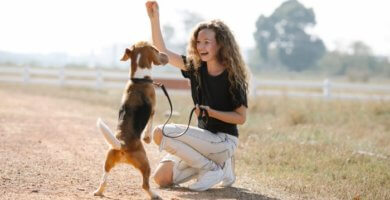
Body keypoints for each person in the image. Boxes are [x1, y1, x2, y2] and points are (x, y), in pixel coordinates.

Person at [145, 0, 249, 191]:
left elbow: (241, 118)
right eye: (198, 42)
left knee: (160, 132)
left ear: (220, 45)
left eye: (207, 42)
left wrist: (211, 112)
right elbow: (163, 52)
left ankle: (212, 168)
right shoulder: (195, 68)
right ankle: (221, 169)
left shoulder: (234, 77)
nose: (201, 46)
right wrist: (154, 19)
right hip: (203, 143)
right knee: (161, 178)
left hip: (224, 142)